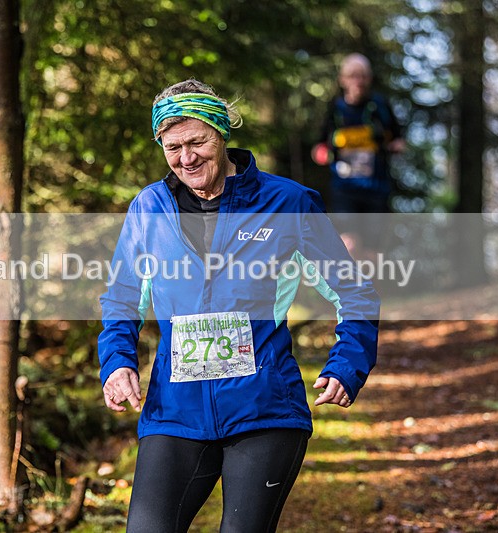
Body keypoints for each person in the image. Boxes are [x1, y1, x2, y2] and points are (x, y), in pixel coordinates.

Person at [98, 79, 380, 533]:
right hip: (174, 413)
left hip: (264, 409)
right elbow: (121, 298)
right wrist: (116, 362)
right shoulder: (149, 208)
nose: (186, 158)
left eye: (197, 142)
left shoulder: (287, 202)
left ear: (222, 132)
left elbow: (354, 292)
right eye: (173, 147)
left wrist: (348, 364)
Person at [312, 53, 405, 214]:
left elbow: (399, 139)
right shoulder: (335, 109)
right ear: (342, 79)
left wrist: (395, 147)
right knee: (346, 231)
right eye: (352, 75)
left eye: (363, 76)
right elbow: (319, 147)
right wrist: (323, 154)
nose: (358, 81)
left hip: (377, 190)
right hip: (343, 190)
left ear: (370, 78)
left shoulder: (379, 106)